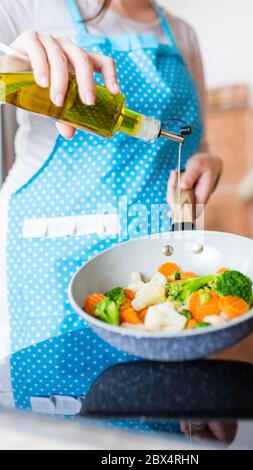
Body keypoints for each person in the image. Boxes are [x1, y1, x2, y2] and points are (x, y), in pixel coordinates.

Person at [0, 0, 222, 416]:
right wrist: (11, 58)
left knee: (159, 427)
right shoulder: (27, 6)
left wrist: (207, 160)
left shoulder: (182, 33)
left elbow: (196, 142)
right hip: (50, 280)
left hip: (163, 281)